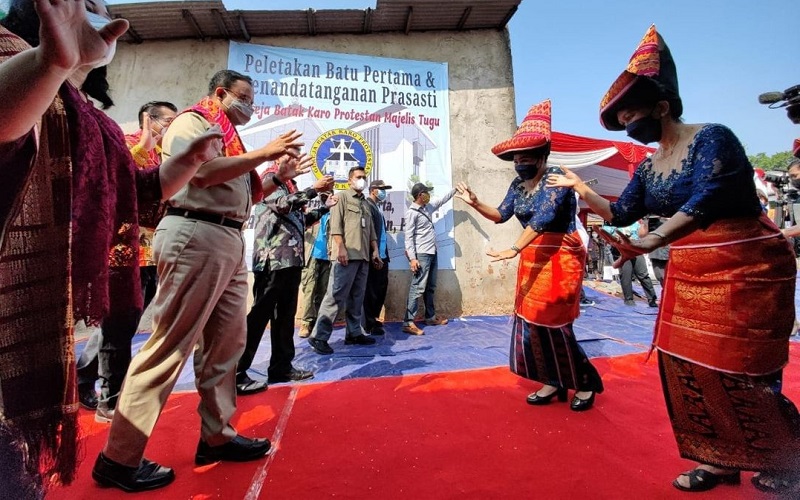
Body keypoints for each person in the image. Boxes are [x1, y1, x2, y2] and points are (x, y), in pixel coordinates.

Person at [548, 25, 800, 494]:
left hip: (746, 267)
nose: (628, 125)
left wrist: (651, 240)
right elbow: (624, 211)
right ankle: (718, 458)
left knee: (743, 368)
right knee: (689, 367)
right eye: (621, 121)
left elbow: (709, 196)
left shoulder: (712, 138)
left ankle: (786, 456)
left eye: (632, 115)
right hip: (690, 272)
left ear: (663, 106)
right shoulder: (647, 164)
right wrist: (584, 191)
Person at [0, 0, 222, 493]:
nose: (101, 13)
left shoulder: (90, 117)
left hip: (44, 307)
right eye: (88, 4)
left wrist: (183, 162)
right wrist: (48, 63)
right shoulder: (13, 60)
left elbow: (137, 194)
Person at [94, 69, 303, 492]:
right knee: (170, 345)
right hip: (195, 232)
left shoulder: (230, 136)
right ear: (221, 93)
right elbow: (203, 175)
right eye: (244, 97)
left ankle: (217, 436)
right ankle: (118, 458)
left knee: (225, 345)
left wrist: (276, 174)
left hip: (226, 236)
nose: (251, 105)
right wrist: (264, 153)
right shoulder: (193, 122)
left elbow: (242, 191)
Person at [456, 99, 604, 412]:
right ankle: (552, 380)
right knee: (532, 324)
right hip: (532, 255)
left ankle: (584, 383)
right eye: (515, 157)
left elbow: (544, 219)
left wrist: (512, 249)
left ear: (542, 155)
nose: (519, 161)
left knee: (556, 324)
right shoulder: (517, 183)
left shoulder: (555, 179)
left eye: (525, 156)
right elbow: (500, 215)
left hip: (560, 257)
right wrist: (474, 202)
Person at [76, 100, 179, 423]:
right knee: (119, 325)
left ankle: (83, 375)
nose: (172, 128)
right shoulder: (128, 144)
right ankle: (110, 398)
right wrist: (143, 147)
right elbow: (112, 183)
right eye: (168, 121)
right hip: (121, 251)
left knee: (123, 325)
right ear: (149, 121)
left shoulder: (164, 155)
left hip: (149, 254)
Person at [235, 154, 335, 394]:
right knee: (259, 317)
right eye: (289, 153)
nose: (294, 158)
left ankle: (281, 367)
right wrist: (313, 189)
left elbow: (300, 219)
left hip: (290, 260)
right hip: (272, 260)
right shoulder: (270, 178)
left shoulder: (291, 185)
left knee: (285, 317)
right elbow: (282, 205)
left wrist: (323, 207)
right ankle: (235, 371)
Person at [307, 166, 382, 355]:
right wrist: (340, 248)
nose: (362, 180)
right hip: (345, 256)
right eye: (358, 177)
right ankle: (319, 336)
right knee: (335, 295)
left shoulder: (365, 203)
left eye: (364, 177)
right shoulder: (341, 198)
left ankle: (354, 333)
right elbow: (336, 225)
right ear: (349, 180)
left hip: (363, 257)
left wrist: (374, 251)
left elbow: (371, 230)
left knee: (357, 297)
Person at [402, 182, 456, 335]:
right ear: (420, 195)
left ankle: (430, 317)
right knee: (417, 287)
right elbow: (408, 237)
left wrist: (455, 190)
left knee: (430, 287)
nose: (429, 195)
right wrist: (412, 258)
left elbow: (442, 200)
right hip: (422, 255)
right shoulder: (412, 212)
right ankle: (408, 322)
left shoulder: (427, 208)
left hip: (432, 252)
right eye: (427, 193)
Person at [603, 221, 659, 307]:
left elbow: (642, 234)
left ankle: (652, 298)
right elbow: (605, 234)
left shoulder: (635, 221)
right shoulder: (611, 223)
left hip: (636, 249)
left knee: (643, 274)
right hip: (621, 251)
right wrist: (614, 237)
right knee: (626, 275)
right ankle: (629, 299)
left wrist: (644, 225)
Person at [364, 180, 392, 334]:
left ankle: (373, 318)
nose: (383, 192)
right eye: (382, 189)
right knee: (371, 290)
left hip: (382, 254)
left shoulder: (377, 207)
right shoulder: (368, 206)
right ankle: (368, 323)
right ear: (373, 190)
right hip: (374, 256)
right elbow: (370, 233)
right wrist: (375, 254)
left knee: (380, 287)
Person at [299, 210, 332, 337]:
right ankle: (306, 323)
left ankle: (318, 323)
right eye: (323, 194)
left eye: (328, 193)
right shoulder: (312, 214)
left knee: (323, 291)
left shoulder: (334, 214)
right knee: (309, 290)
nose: (326, 196)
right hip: (311, 256)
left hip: (327, 257)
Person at [639, 216, 669, 287]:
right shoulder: (648, 219)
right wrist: (646, 223)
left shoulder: (671, 214)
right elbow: (641, 234)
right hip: (655, 253)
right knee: (661, 278)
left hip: (671, 252)